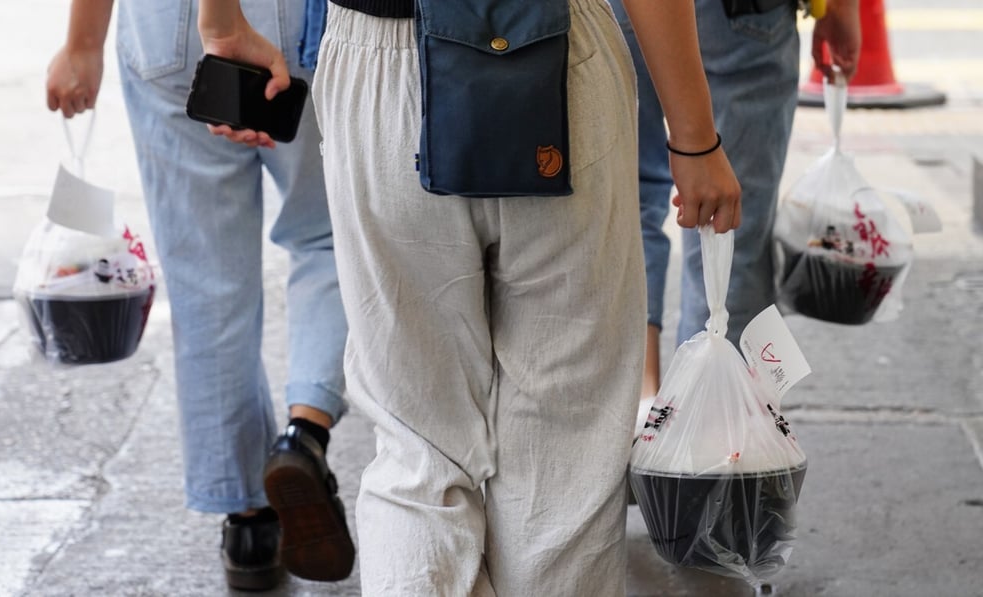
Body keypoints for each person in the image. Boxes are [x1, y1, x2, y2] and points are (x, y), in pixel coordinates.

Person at [196, 0, 740, 593]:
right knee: (565, 456)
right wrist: (693, 138)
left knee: (417, 450)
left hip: (381, 62)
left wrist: (222, 21)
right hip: (559, 57)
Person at [46, 0, 355, 589]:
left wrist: (82, 42)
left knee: (206, 279)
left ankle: (250, 526)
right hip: (295, 22)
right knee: (326, 238)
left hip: (161, 26)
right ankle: (304, 436)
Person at [610, 0, 861, 415]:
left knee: (628, 201)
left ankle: (639, 408)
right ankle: (707, 438)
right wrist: (839, 8)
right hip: (739, 15)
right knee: (730, 229)